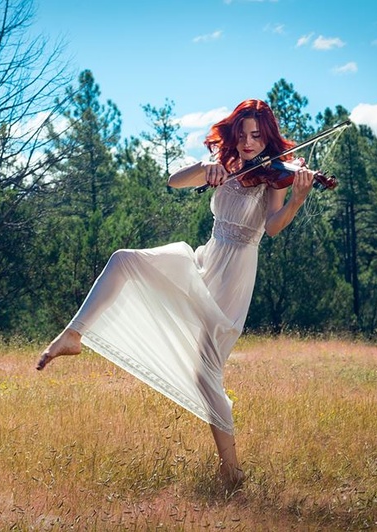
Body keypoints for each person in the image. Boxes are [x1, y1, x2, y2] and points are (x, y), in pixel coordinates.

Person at [35, 99, 316, 490]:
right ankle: (74, 335)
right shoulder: (227, 164)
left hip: (234, 274)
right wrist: (206, 168)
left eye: (257, 135)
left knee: (205, 376)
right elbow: (173, 180)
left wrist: (298, 199)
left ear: (266, 137)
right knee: (124, 260)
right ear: (234, 135)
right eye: (243, 134)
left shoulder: (274, 176)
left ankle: (231, 472)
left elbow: (271, 227)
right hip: (205, 262)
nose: (249, 142)